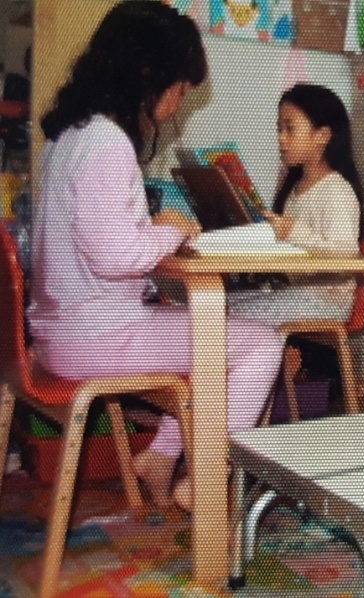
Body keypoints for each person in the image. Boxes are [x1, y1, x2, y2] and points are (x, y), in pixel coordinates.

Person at [28, 1, 285, 512]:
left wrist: (152, 230)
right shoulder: (107, 142)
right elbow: (114, 254)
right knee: (260, 342)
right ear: (149, 76)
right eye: (182, 89)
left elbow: (97, 242)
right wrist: (168, 233)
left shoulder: (70, 137)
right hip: (93, 339)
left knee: (212, 328)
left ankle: (163, 456)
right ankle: (204, 480)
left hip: (62, 334)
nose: (181, 102)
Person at [227, 83, 362, 327]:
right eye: (279, 128)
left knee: (226, 318)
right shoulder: (294, 190)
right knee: (217, 305)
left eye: (290, 129)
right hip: (295, 294)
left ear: (322, 136)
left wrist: (293, 232)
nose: (281, 138)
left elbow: (346, 259)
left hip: (325, 304)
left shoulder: (336, 191)